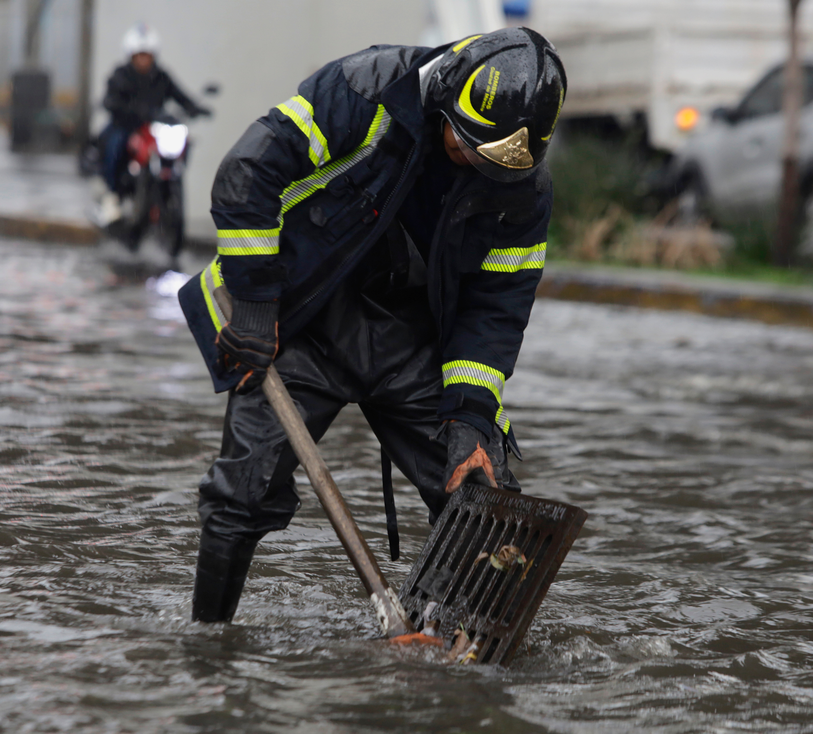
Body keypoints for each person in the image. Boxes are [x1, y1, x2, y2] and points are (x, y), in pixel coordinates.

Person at [177, 28, 566, 623]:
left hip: (413, 339)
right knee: (242, 491)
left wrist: (469, 416)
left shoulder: (523, 191)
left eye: (491, 165)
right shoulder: (366, 90)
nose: (473, 166)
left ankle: (441, 639)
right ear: (445, 97)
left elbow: (498, 308)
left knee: (480, 494)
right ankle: (208, 644)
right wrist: (255, 307)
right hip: (304, 318)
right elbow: (245, 174)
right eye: (466, 147)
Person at [96, 23, 210, 224]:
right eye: (139, 55)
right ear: (131, 56)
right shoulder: (121, 75)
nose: (143, 60)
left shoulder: (161, 76)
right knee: (115, 145)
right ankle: (112, 195)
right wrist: (130, 109)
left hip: (153, 130)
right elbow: (109, 100)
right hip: (127, 126)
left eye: (147, 55)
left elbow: (179, 95)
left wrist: (195, 107)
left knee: (183, 142)